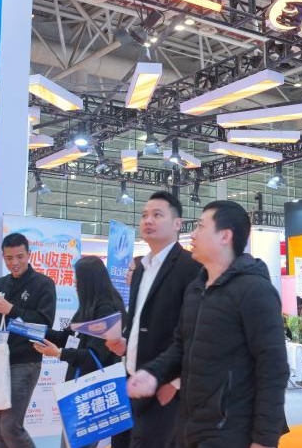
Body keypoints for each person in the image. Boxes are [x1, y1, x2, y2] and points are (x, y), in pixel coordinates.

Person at [127, 200, 289, 448]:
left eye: (201, 227)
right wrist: (153, 374)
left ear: (225, 236)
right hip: (192, 426)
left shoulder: (255, 290)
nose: (192, 234)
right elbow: (180, 347)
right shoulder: (197, 289)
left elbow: (273, 368)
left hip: (232, 430)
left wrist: (264, 439)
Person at [106, 191, 201, 448]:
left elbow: (193, 330)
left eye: (157, 215)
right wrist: (125, 344)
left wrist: (174, 382)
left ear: (178, 223)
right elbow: (143, 321)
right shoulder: (140, 269)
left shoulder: (190, 267)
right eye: (144, 215)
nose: (148, 220)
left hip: (165, 386)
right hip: (133, 379)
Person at [34, 256, 125, 448]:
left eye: (78, 279)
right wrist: (36, 331)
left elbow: (95, 356)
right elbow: (68, 337)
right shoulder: (87, 307)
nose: (75, 284)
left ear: (89, 282)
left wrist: (59, 353)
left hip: (93, 390)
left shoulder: (106, 310)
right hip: (79, 389)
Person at [0, 233, 57, 448]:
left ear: (29, 255)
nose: (14, 262)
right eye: (9, 258)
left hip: (25, 361)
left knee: (10, 427)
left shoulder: (43, 284)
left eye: (20, 257)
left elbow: (44, 325)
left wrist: (12, 310)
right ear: (3, 257)